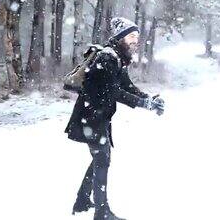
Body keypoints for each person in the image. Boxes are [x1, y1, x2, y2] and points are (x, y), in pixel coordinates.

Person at [65, 17, 165, 220]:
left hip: (98, 117)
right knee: (102, 160)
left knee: (100, 158)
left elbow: (127, 86)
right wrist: (143, 104)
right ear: (120, 37)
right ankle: (101, 213)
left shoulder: (118, 58)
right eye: (131, 36)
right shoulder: (107, 58)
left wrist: (149, 99)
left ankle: (82, 201)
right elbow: (114, 92)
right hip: (90, 117)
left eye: (137, 36)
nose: (135, 40)